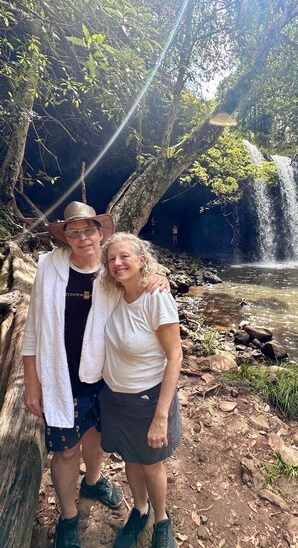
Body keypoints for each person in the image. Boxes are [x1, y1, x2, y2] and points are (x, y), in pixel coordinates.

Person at [21, 201, 169, 548]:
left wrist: (160, 277)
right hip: (60, 377)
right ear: (65, 237)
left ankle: (93, 481)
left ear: (101, 234)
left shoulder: (112, 270)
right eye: (74, 232)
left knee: (94, 437)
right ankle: (69, 517)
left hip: (105, 378)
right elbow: (32, 328)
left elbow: (141, 280)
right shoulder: (49, 267)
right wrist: (31, 382)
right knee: (66, 451)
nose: (82, 237)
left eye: (89, 230)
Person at [98, 232, 182, 548]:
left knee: (150, 464)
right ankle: (140, 510)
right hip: (115, 398)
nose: (117, 263)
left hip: (148, 399)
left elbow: (176, 356)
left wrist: (161, 416)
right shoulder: (112, 295)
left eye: (125, 256)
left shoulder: (156, 298)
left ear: (142, 260)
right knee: (130, 459)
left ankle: (161, 519)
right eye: (111, 259)